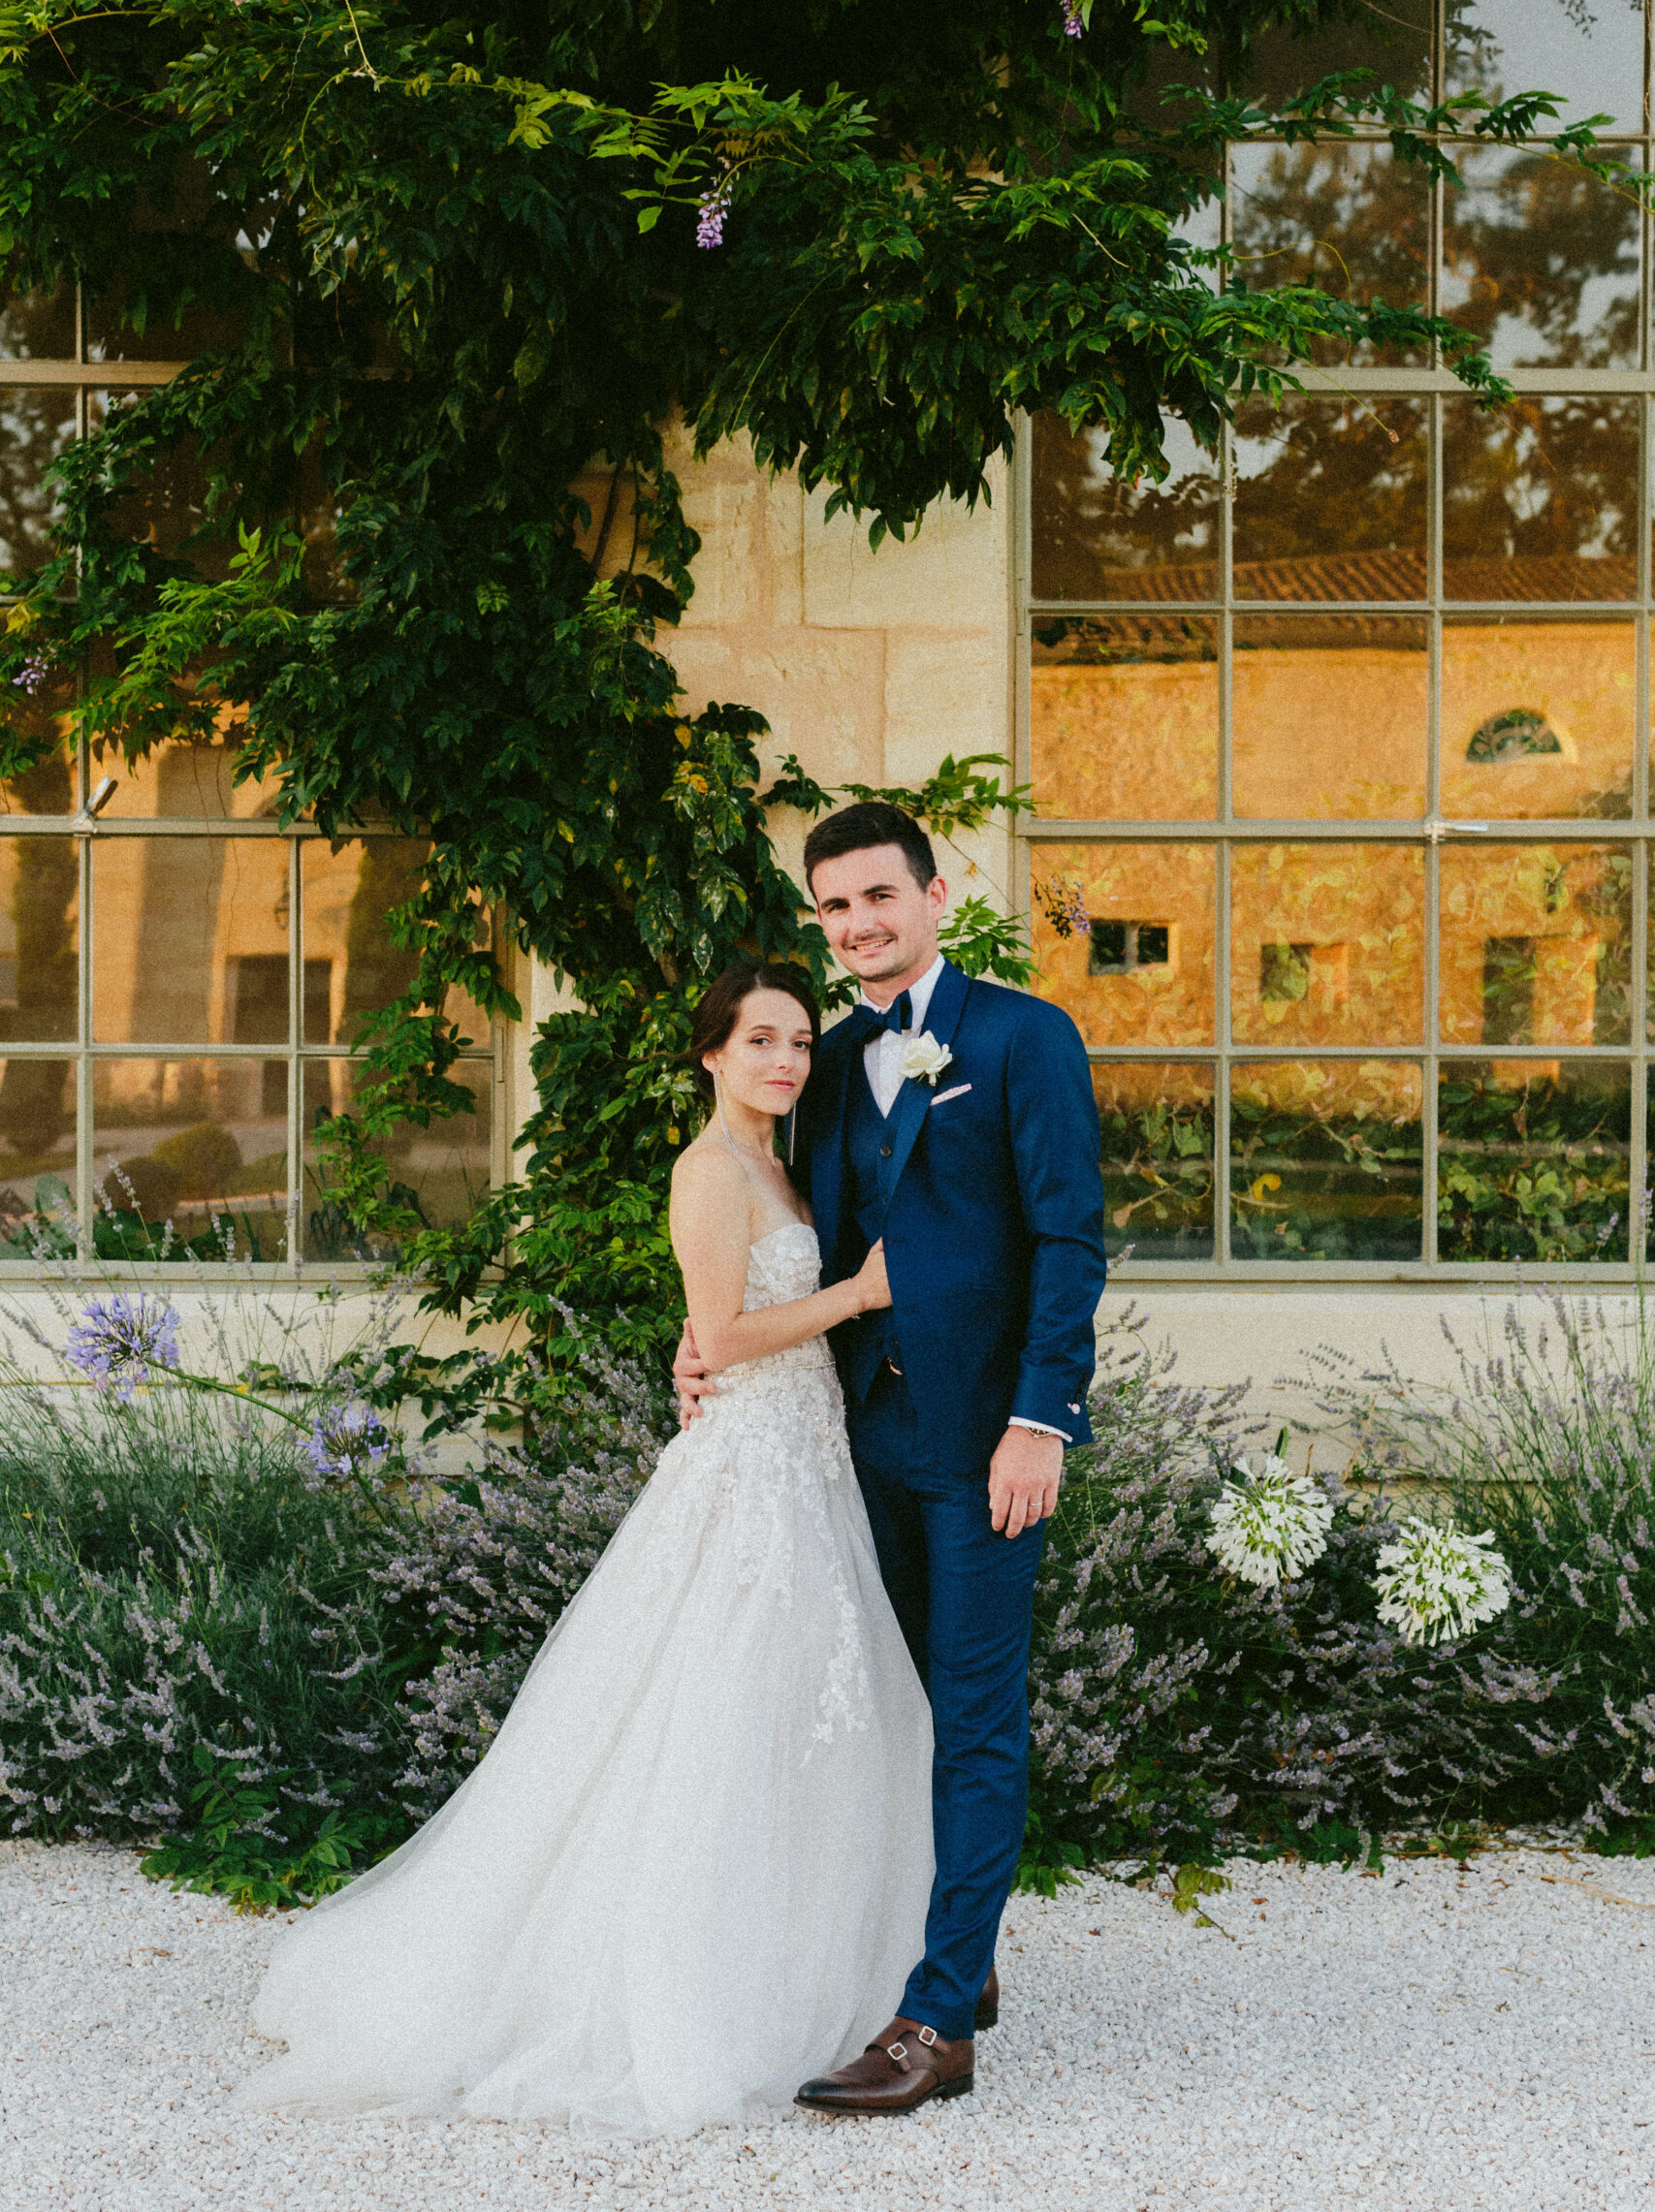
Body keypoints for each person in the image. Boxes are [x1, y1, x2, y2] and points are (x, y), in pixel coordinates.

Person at [239, 962, 933, 2135]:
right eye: (760, 1038)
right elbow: (724, 1330)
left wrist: (751, 1328)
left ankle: (813, 1966)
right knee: (712, 1713)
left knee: (810, 1716)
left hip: (804, 1463)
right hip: (751, 1475)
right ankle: (683, 1981)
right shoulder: (709, 1167)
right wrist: (858, 1295)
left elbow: (707, 1325)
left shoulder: (786, 1164)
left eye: (800, 1041)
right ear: (711, 1051)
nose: (784, 1059)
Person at [676, 803, 1107, 2113]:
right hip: (853, 1444)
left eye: (877, 897)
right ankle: (949, 1956)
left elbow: (1067, 1242)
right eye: (833, 907)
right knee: (890, 1711)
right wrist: (706, 1350)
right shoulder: (828, 1060)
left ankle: (936, 2026)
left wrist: (1040, 1421)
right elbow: (790, 1244)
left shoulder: (1021, 1037)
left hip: (984, 1447)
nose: (856, 925)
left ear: (930, 894)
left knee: (972, 1720)